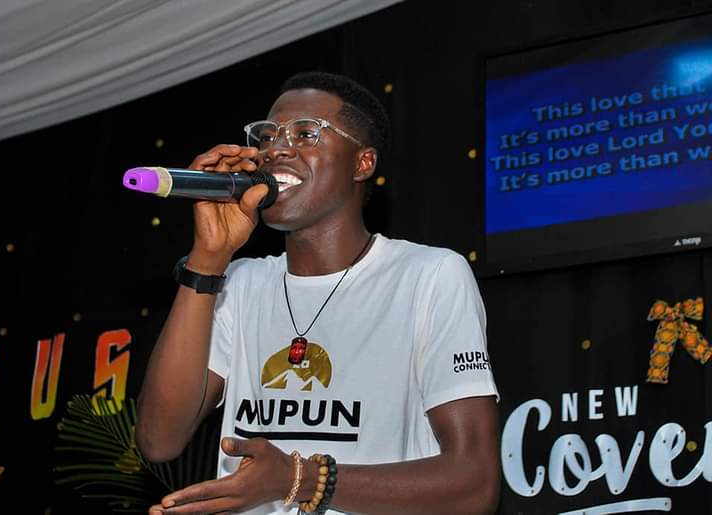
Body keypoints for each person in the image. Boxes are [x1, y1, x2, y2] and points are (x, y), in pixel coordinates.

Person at [135, 71, 500, 515]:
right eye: (267, 136)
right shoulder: (240, 283)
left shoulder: (428, 275)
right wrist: (208, 260)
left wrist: (301, 479)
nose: (276, 148)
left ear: (362, 163)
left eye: (306, 133)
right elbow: (158, 440)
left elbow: (475, 483)